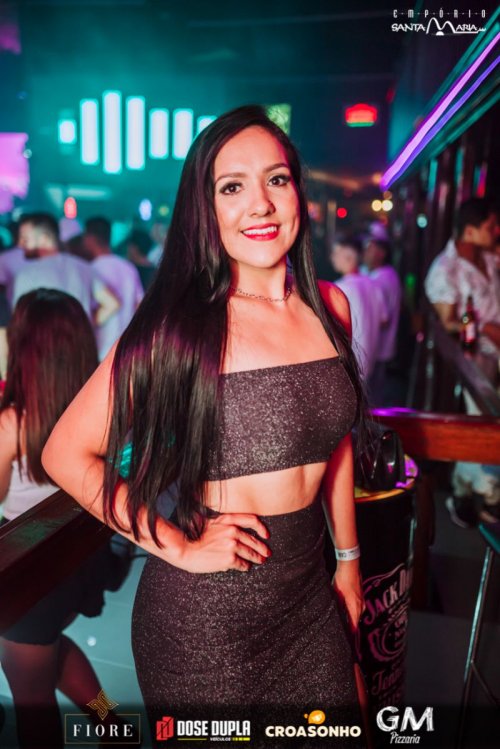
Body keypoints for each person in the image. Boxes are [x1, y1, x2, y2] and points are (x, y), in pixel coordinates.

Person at [42, 106, 367, 747]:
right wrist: (177, 545)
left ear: (298, 192)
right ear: (205, 208)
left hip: (309, 600)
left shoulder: (331, 306)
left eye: (276, 179)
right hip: (206, 625)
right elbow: (65, 453)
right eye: (232, 186)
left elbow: (336, 446)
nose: (260, 204)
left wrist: (349, 563)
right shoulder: (181, 326)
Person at [0, 289, 128, 748]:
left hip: (31, 575)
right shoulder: (102, 410)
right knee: (50, 650)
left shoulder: (14, 423)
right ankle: (115, 725)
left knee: (32, 704)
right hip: (81, 564)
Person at [425, 198, 500, 526]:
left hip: (495, 354)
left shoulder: (489, 257)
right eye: (490, 226)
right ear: (469, 231)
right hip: (472, 361)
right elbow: (447, 324)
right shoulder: (446, 270)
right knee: (483, 426)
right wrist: (484, 327)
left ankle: (465, 493)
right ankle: (486, 496)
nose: (496, 231)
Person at [12, 212, 120, 329]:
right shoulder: (83, 267)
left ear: (44, 239)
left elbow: (19, 320)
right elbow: (112, 303)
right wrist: (85, 326)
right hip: (79, 339)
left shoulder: (27, 273)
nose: (20, 244)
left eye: (25, 239)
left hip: (42, 339)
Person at [83, 216, 144, 360]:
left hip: (100, 352)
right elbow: (140, 307)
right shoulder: (128, 268)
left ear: (89, 239)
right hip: (126, 351)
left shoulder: (91, 269)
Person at [331, 235, 388, 385]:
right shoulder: (373, 285)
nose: (332, 257)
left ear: (349, 257)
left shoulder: (340, 288)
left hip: (349, 367)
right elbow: (384, 320)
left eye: (336, 252)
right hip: (370, 364)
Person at [362, 237, 402, 404]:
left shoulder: (381, 279)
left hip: (377, 347)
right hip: (380, 348)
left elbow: (383, 319)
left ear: (381, 253)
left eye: (370, 249)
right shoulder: (388, 274)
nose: (365, 253)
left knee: (372, 397)